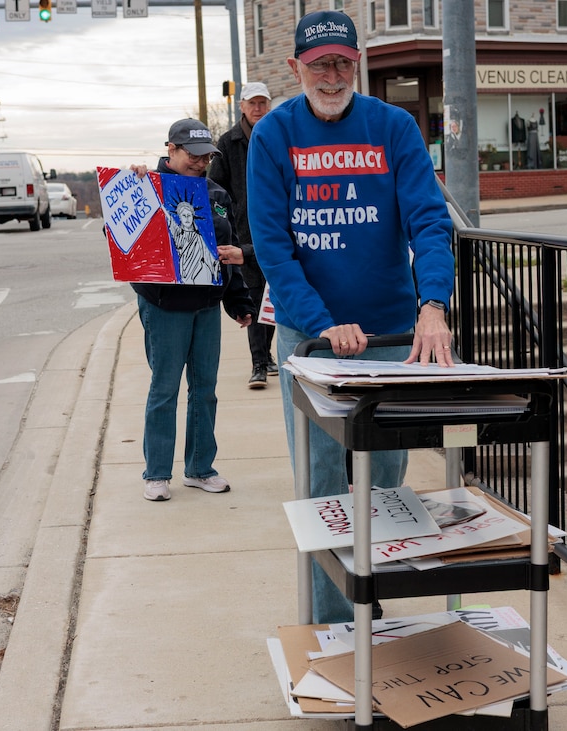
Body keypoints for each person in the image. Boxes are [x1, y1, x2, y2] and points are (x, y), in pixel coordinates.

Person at [246, 10, 455, 623]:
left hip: (390, 335)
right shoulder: (273, 135)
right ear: (296, 69)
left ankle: (380, 610)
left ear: (356, 63)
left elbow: (427, 220)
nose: (332, 76)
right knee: (320, 485)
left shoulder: (393, 127)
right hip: (310, 342)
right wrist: (320, 322)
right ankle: (337, 628)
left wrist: (433, 305)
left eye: (342, 62)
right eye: (319, 65)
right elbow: (273, 246)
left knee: (386, 482)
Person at [130, 118, 257, 502]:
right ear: (171, 149)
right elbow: (122, 237)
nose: (201, 162)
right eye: (193, 155)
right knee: (164, 388)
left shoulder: (216, 194)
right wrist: (132, 186)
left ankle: (200, 468)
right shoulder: (146, 187)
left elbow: (227, 252)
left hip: (206, 305)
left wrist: (238, 300)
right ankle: (156, 473)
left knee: (205, 390)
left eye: (207, 156)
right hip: (164, 304)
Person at [208, 81, 277, 390]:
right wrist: (226, 220)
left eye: (263, 103)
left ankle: (267, 355)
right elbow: (214, 188)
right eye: (253, 103)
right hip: (243, 232)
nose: (258, 108)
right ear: (242, 107)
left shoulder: (278, 135)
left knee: (272, 296)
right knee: (254, 295)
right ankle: (259, 363)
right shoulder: (228, 142)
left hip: (275, 227)